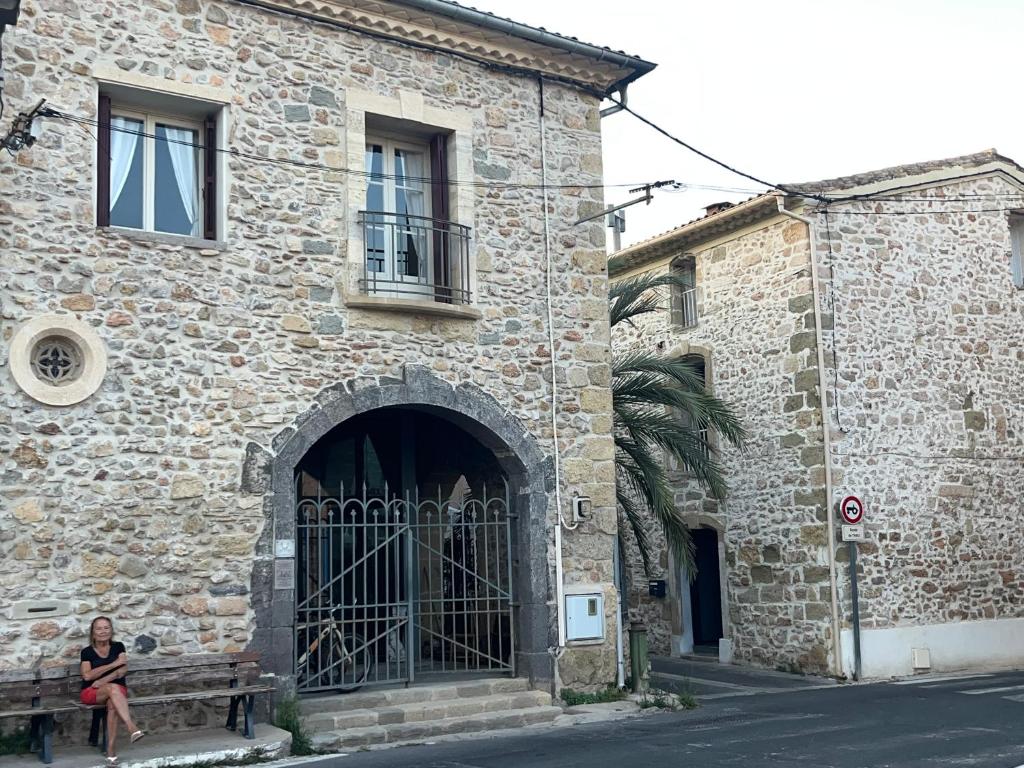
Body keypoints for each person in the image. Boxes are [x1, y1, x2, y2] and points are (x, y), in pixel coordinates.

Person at [80, 617, 144, 766]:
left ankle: (111, 750)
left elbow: (123, 669)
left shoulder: (118, 647)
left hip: (116, 691)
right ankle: (131, 727)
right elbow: (87, 676)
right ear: (93, 632)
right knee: (112, 688)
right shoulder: (87, 652)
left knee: (113, 701)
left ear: (111, 630)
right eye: (99, 628)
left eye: (106, 628)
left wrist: (103, 679)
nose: (103, 631)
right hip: (92, 692)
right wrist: (114, 664)